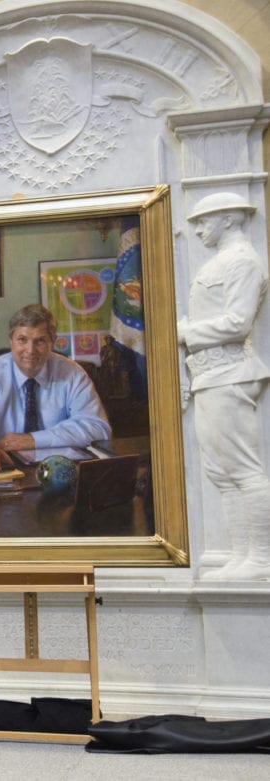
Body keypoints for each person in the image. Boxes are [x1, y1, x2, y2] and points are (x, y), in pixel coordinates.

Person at [179, 192, 270, 580]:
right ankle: (242, 556)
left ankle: (262, 558)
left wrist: (186, 332)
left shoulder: (243, 261)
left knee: (243, 470)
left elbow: (238, 322)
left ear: (229, 219)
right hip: (210, 374)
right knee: (221, 472)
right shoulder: (225, 260)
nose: (198, 228)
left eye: (205, 220)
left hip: (229, 373)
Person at [0, 303, 111, 473]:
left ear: (52, 342)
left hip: (61, 471)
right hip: (5, 469)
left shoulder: (72, 374)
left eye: (40, 341)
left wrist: (32, 440)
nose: (30, 350)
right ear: (11, 341)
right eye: (22, 340)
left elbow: (97, 428)